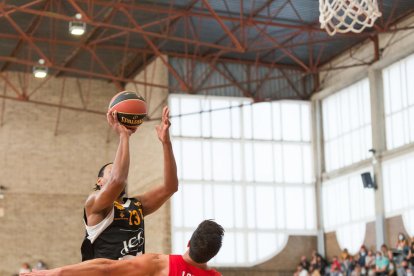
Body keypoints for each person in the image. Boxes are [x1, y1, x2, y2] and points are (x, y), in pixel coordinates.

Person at [81, 106, 178, 261]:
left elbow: (170, 187)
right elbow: (117, 180)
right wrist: (124, 136)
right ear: (99, 182)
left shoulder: (137, 205)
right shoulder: (94, 202)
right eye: (110, 172)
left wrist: (166, 143)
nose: (118, 174)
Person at [21, 220, 223, 276]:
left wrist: (58, 272)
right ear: (213, 255)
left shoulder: (160, 264)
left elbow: (106, 269)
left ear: (188, 242)